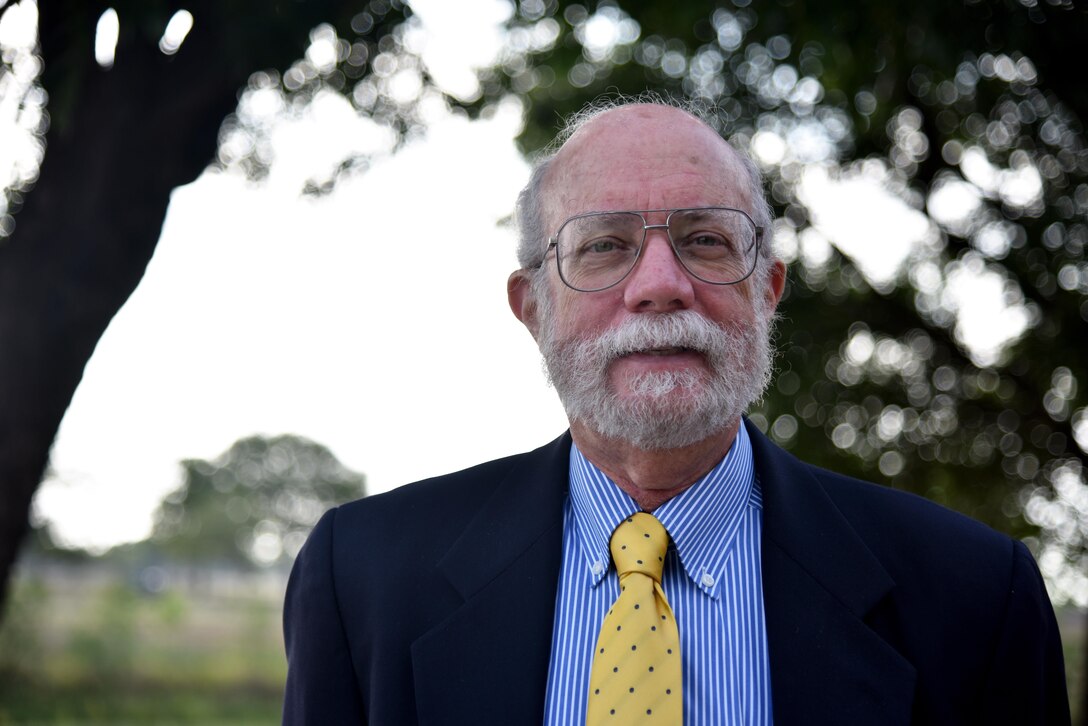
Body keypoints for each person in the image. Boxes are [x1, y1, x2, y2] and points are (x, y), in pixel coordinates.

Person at [282, 98, 1070, 725]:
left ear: (767, 292)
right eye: (603, 245)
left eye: (705, 241)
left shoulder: (976, 596)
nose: (661, 284)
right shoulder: (362, 577)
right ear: (533, 309)